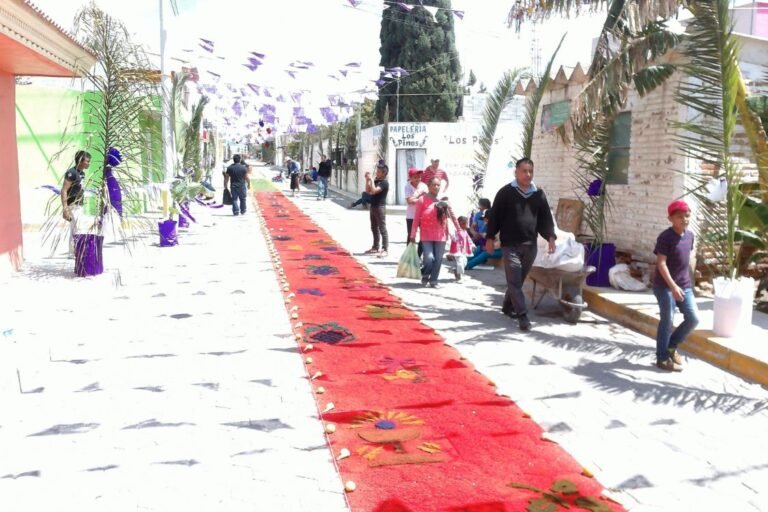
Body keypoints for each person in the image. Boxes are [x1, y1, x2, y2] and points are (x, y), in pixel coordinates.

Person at [485, 157, 556, 331]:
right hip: (510, 245)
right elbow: (495, 217)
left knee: (517, 280)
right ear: (516, 172)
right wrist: (489, 237)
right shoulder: (505, 193)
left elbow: (545, 217)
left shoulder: (538, 194)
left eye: (530, 171)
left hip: (530, 246)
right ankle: (522, 316)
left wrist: (550, 237)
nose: (527, 174)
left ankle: (507, 306)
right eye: (524, 171)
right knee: (515, 281)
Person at [652, 200, 699, 372]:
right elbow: (661, 264)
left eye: (687, 216)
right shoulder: (665, 237)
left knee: (693, 318)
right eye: (679, 216)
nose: (684, 219)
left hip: (684, 285)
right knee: (667, 320)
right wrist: (672, 287)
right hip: (664, 286)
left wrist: (689, 283)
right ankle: (662, 358)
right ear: (670, 218)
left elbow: (687, 261)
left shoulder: (690, 235)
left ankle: (671, 347)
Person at [409, 176, 460, 288]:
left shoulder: (444, 200)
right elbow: (416, 219)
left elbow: (453, 216)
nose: (436, 187)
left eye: (438, 185)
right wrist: (412, 235)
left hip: (441, 234)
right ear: (428, 186)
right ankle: (425, 274)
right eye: (434, 185)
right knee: (429, 258)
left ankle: (434, 280)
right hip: (426, 234)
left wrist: (459, 230)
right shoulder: (422, 200)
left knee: (438, 259)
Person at [61, 150, 91, 254]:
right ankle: (77, 252)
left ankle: (72, 252)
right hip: (73, 205)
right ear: (80, 161)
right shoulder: (71, 173)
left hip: (79, 205)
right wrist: (65, 209)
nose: (89, 163)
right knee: (78, 229)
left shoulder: (82, 173)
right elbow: (64, 190)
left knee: (74, 229)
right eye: (87, 161)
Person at [364, 162, 390, 257]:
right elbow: (368, 191)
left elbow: (374, 191)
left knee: (382, 228)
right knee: (374, 227)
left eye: (379, 171)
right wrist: (368, 180)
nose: (377, 173)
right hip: (373, 206)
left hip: (380, 207)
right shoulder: (376, 181)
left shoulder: (384, 183)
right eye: (377, 171)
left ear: (384, 173)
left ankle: (385, 248)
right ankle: (375, 246)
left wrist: (371, 179)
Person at [404, 167, 427, 256]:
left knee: (423, 236)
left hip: (422, 215)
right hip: (411, 215)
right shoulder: (408, 186)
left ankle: (418, 256)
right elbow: (409, 201)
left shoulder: (424, 186)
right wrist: (420, 196)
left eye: (419, 177)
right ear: (410, 178)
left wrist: (415, 198)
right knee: (411, 236)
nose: (418, 179)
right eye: (415, 177)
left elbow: (425, 200)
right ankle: (409, 256)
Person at [450, 216, 475, 282]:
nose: (465, 225)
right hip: (457, 250)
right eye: (463, 223)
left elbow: (469, 239)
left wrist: (472, 245)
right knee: (460, 263)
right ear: (458, 224)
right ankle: (459, 277)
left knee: (464, 262)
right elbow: (453, 237)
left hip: (463, 250)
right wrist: (453, 237)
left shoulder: (465, 232)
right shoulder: (456, 231)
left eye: (466, 223)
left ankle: (456, 270)